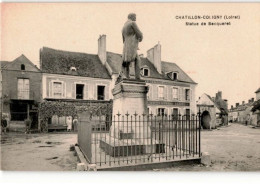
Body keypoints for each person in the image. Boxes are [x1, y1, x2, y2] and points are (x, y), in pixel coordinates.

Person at [120, 13, 143, 80]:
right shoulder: (132, 23)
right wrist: (140, 38)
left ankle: (126, 76)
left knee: (126, 61)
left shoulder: (123, 27)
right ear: (132, 17)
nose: (136, 18)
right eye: (135, 17)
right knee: (138, 60)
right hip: (132, 45)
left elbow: (123, 39)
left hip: (126, 45)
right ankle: (137, 77)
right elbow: (139, 34)